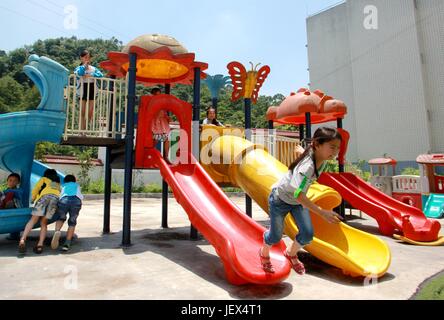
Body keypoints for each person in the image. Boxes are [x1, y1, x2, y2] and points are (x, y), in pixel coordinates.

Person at [259, 127, 343, 274]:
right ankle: (263, 252)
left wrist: (300, 151)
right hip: (280, 199)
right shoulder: (308, 167)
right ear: (317, 145)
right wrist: (322, 212)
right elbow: (298, 194)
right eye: (332, 147)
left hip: (296, 202)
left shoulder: (319, 157)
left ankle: (290, 253)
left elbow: (306, 152)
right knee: (275, 236)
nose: (335, 152)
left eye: (337, 148)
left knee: (307, 235)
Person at [18, 169, 60, 254]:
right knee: (43, 223)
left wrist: (33, 199)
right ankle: (40, 245)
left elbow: (36, 189)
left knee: (33, 220)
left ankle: (22, 239)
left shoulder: (44, 179)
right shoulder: (58, 185)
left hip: (43, 199)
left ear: (46, 175)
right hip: (54, 201)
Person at [51, 174, 83, 252]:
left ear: (65, 181)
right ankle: (67, 243)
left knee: (61, 218)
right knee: (72, 222)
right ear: (74, 181)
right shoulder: (77, 185)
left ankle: (57, 231)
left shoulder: (63, 185)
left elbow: (55, 188)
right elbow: (81, 196)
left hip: (64, 200)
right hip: (76, 201)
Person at [74, 50, 103, 132]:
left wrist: (91, 75)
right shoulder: (78, 68)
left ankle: (86, 128)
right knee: (82, 111)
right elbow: (79, 73)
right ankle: (82, 130)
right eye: (85, 57)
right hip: (82, 89)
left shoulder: (93, 68)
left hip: (92, 88)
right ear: (81, 58)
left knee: (90, 111)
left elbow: (100, 75)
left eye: (88, 57)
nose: (87, 59)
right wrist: (84, 66)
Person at [151, 87, 171, 159]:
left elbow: (164, 112)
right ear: (153, 95)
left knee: (167, 139)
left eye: (159, 95)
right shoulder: (151, 102)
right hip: (156, 124)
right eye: (156, 95)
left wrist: (167, 117)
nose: (158, 97)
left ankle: (166, 156)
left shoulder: (161, 102)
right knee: (155, 139)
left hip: (163, 124)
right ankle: (150, 154)